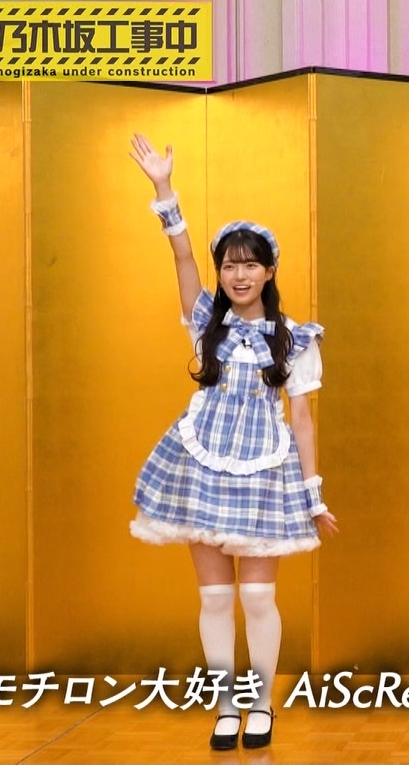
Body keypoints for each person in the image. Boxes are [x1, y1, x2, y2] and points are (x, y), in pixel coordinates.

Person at [127, 133, 337, 751]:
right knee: (216, 597)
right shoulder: (205, 323)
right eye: (229, 265)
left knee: (259, 595)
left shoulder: (294, 338)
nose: (238, 274)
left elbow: (302, 420)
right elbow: (181, 257)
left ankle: (262, 706)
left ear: (269, 271)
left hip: (264, 472)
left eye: (249, 264)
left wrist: (313, 494)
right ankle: (225, 709)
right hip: (202, 464)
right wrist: (165, 189)